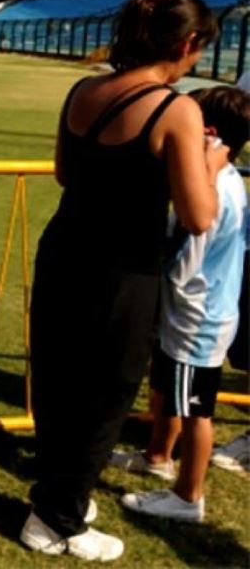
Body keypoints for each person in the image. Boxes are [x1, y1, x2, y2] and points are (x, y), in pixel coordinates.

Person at [21, 0, 222, 561]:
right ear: (186, 45)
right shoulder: (177, 108)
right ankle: (56, 520)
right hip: (126, 271)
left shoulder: (83, 90)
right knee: (105, 395)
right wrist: (208, 164)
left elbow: (65, 173)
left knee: (60, 384)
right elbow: (198, 214)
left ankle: (61, 496)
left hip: (65, 252)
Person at [113, 86, 249, 522]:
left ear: (206, 132)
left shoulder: (216, 192)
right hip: (200, 311)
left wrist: (154, 283)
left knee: (195, 409)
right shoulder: (223, 180)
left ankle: (188, 497)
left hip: (199, 315)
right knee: (176, 393)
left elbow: (186, 260)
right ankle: (158, 457)